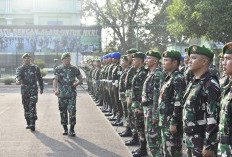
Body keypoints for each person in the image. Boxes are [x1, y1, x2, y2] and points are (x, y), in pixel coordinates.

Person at [183, 45, 220, 157]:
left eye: (193, 58)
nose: (189, 61)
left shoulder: (210, 84)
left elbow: (213, 116)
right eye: (189, 58)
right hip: (191, 138)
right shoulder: (195, 82)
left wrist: (209, 146)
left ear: (204, 61)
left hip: (201, 140)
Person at [158, 50, 186, 157]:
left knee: (173, 151)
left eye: (166, 60)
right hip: (165, 120)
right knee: (167, 150)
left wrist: (174, 122)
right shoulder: (170, 77)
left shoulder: (178, 78)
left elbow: (178, 102)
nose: (163, 63)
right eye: (163, 60)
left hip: (171, 122)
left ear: (175, 63)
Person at [53, 52, 83, 136]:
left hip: (72, 94)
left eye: (68, 58)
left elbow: (80, 79)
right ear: (62, 60)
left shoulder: (74, 69)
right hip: (62, 94)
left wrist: (76, 83)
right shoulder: (58, 69)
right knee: (63, 111)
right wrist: (55, 90)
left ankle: (72, 129)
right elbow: (55, 80)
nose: (67, 60)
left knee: (72, 111)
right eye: (65, 58)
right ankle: (65, 129)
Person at [142, 50, 164, 157]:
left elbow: (157, 96)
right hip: (148, 109)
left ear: (155, 61)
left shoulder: (158, 74)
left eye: (149, 58)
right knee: (149, 137)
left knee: (154, 138)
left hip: (152, 110)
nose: (146, 60)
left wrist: (156, 115)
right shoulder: (151, 73)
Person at [15, 53, 44, 131]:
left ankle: (33, 123)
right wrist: (17, 81)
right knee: (26, 107)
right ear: (23, 59)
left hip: (33, 90)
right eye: (25, 58)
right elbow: (18, 76)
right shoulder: (20, 69)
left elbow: (39, 78)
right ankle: (28, 122)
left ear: (30, 59)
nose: (27, 59)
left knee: (32, 105)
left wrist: (41, 88)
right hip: (24, 91)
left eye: (28, 58)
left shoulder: (35, 68)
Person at [130, 52, 148, 156]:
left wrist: (141, 106)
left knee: (141, 127)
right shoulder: (138, 72)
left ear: (141, 61)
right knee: (138, 126)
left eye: (135, 60)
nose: (133, 61)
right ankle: (141, 147)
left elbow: (143, 92)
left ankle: (143, 149)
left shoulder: (143, 73)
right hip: (136, 104)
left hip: (139, 105)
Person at [217, 42, 232, 156]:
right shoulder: (228, 87)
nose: (223, 62)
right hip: (224, 147)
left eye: (228, 59)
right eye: (223, 59)